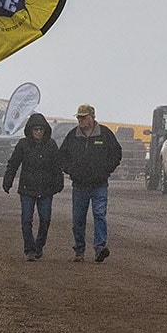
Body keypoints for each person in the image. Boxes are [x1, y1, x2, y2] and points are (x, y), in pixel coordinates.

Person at [58, 104, 122, 263]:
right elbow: (62, 156)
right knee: (78, 218)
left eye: (83, 117)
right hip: (80, 185)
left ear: (92, 117)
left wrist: (106, 170)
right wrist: (71, 171)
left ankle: (100, 248)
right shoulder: (72, 136)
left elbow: (116, 153)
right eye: (78, 117)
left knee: (99, 215)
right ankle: (79, 249)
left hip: (100, 184)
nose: (80, 120)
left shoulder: (105, 134)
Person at [2, 112, 64, 261]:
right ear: (30, 130)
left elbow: (57, 166)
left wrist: (59, 182)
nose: (38, 132)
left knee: (45, 219)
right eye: (35, 129)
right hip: (27, 188)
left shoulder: (51, 145)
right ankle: (29, 249)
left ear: (45, 130)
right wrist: (7, 180)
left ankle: (39, 245)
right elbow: (14, 163)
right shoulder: (23, 144)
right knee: (26, 220)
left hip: (46, 189)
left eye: (41, 129)